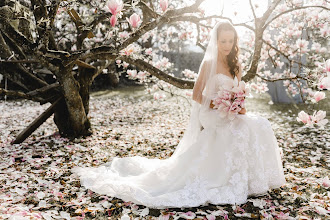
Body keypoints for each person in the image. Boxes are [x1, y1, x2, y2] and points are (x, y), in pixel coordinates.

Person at [71, 20, 286, 209]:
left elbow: (238, 94)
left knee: (260, 124)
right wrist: (217, 104)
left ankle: (251, 179)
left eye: (230, 41)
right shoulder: (209, 64)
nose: (227, 46)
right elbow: (196, 94)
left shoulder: (236, 64)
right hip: (211, 112)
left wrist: (237, 105)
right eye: (223, 41)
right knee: (236, 130)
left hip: (230, 111)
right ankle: (226, 178)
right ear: (216, 41)